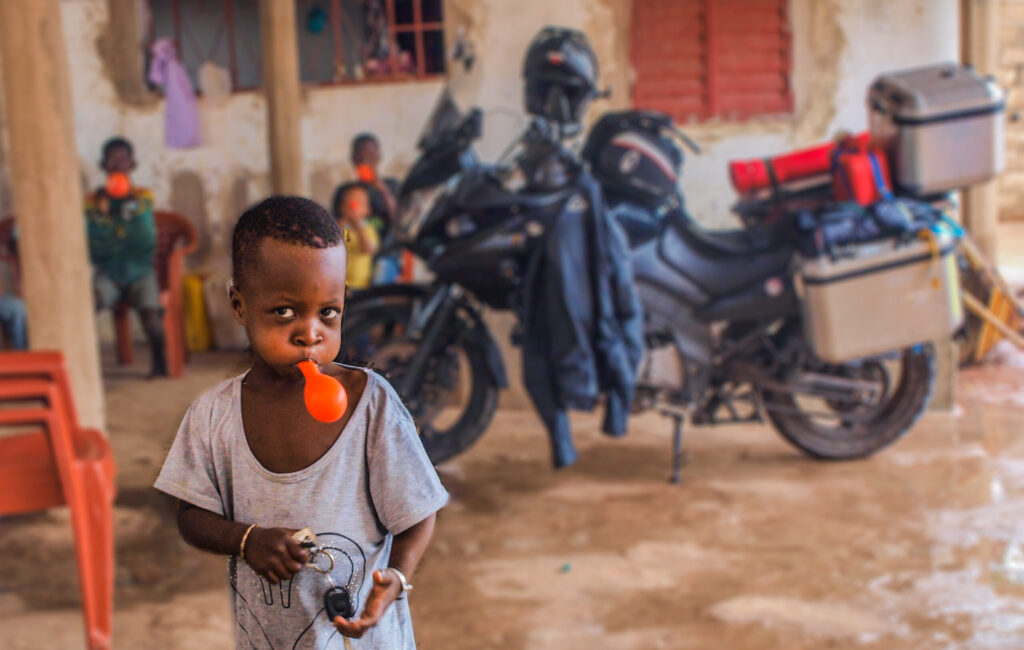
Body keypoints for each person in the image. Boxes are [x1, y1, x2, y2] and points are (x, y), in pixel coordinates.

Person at [154, 196, 446, 649]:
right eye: (285, 312)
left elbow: (417, 515)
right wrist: (247, 539)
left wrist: (397, 579)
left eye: (327, 312)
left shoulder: (369, 405)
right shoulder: (214, 415)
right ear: (239, 305)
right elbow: (192, 516)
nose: (310, 333)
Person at [84, 137, 167, 376]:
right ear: (104, 166)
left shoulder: (143, 197)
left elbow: (142, 240)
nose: (118, 165)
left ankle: (160, 363)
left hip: (140, 272)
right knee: (90, 301)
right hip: (109, 273)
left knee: (151, 319)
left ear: (132, 165)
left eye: (123, 160)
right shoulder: (93, 202)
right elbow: (95, 246)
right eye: (112, 161)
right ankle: (87, 365)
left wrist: (124, 207)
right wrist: (100, 214)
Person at [332, 133, 401, 285]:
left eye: (371, 157)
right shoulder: (346, 191)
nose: (365, 161)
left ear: (378, 158)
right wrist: (349, 216)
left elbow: (400, 220)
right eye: (360, 157)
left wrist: (382, 189)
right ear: (353, 159)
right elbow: (333, 230)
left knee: (378, 282)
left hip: (385, 255)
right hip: (353, 256)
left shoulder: (391, 186)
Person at [337, 185, 379, 291]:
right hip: (339, 283)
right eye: (349, 203)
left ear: (367, 210)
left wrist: (357, 226)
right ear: (341, 208)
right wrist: (342, 223)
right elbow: (331, 242)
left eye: (359, 203)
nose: (353, 206)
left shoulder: (368, 230)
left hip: (360, 284)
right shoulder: (339, 227)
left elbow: (368, 249)